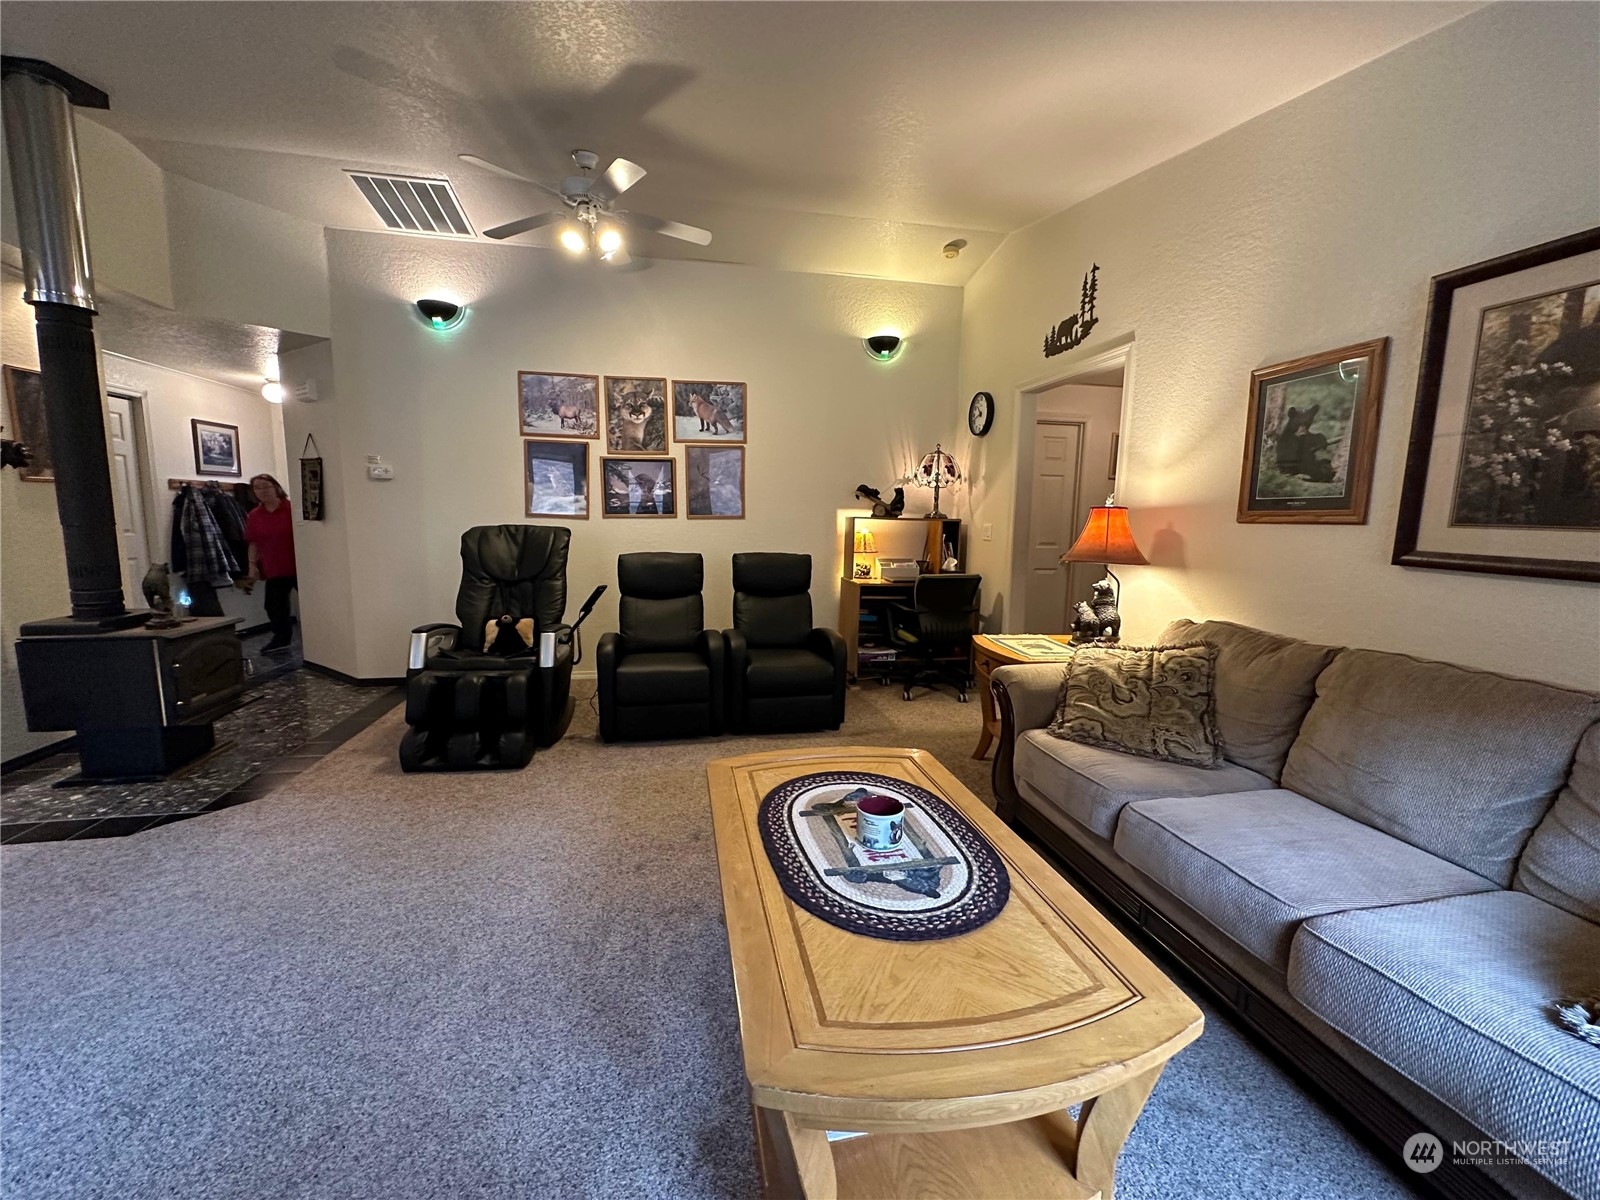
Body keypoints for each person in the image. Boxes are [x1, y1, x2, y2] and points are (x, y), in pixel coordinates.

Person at [240, 473, 298, 653]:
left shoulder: (292, 509)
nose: (262, 491)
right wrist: (252, 566)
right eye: (257, 488)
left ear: (276, 487)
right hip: (274, 566)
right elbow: (253, 542)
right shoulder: (255, 515)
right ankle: (282, 638)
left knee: (314, 602)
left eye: (266, 486)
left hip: (299, 565)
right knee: (273, 605)